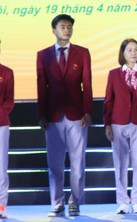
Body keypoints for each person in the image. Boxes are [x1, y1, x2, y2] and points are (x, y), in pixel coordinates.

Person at [36, 14, 92, 217]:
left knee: (78, 161)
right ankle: (57, 201)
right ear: (54, 30)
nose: (66, 30)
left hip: (77, 115)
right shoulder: (43, 55)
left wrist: (87, 111)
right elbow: (42, 86)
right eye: (62, 26)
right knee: (55, 162)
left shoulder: (82, 53)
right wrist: (41, 113)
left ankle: (75, 201)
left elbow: (87, 84)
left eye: (69, 26)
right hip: (53, 115)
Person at [104, 38, 137, 214]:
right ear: (123, 53)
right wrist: (107, 124)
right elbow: (108, 100)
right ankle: (122, 201)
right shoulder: (114, 74)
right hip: (118, 122)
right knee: (120, 164)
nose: (133, 53)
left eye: (136, 49)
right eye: (129, 50)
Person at [0, 39, 14, 220]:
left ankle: (1, 206)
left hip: (0, 124)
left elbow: (8, 102)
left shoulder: (6, 72)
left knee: (1, 167)